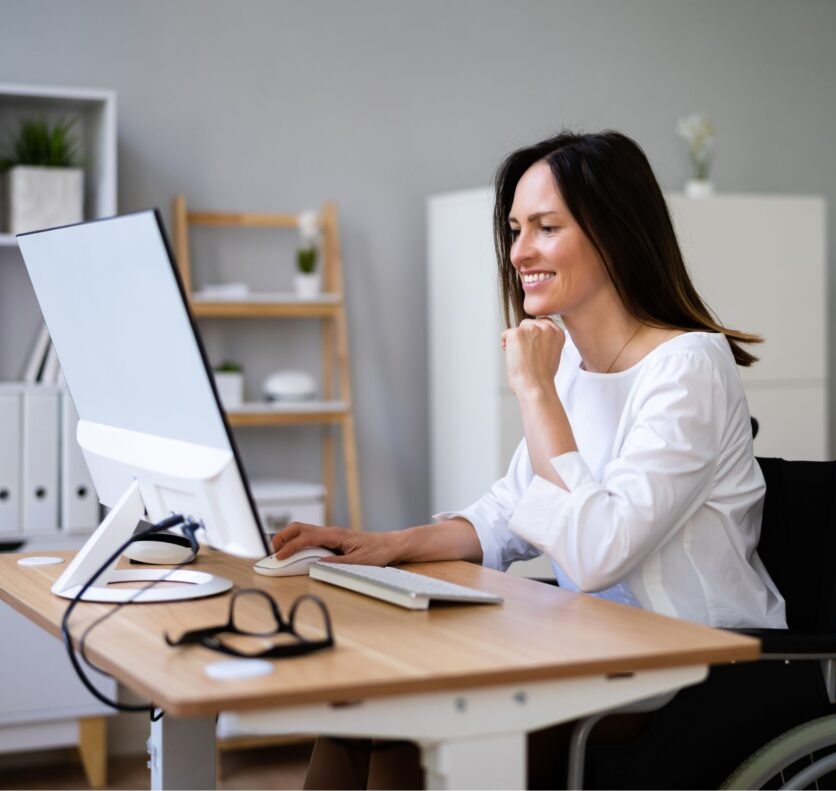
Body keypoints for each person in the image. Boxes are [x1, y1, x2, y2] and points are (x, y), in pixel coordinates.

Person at [274, 130, 790, 789]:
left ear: (614, 235)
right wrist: (384, 544)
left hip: (693, 671)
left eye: (546, 227)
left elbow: (600, 549)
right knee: (361, 704)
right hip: (593, 649)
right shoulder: (571, 363)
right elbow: (509, 512)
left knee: (446, 720)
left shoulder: (688, 366)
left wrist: (535, 390)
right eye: (516, 229)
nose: (519, 252)